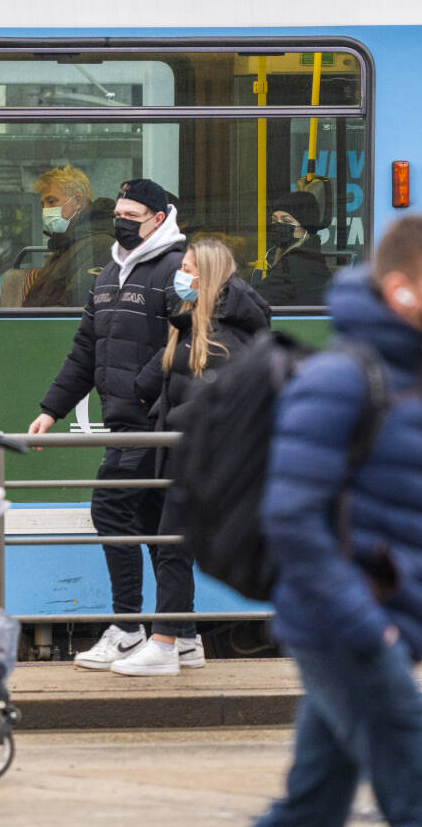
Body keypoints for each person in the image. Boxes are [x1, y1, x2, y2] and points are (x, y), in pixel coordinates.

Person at [255, 216, 422, 827]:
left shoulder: (410, 374)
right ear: (403, 290)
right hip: (347, 629)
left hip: (367, 622)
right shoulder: (343, 378)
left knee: (312, 807)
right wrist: (365, 626)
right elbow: (290, 516)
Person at [27, 178, 188, 670]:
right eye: (118, 212)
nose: (121, 221)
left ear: (159, 219)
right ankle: (182, 633)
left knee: (111, 511)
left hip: (153, 420)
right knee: (154, 524)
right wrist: (51, 409)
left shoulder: (176, 269)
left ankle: (127, 627)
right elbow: (85, 349)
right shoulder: (109, 272)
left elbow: (184, 342)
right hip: (127, 422)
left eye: (132, 216)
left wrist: (142, 389)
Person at [113, 238, 270, 676]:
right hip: (185, 458)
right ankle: (183, 641)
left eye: (187, 267)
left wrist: (172, 420)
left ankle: (163, 643)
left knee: (172, 550)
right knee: (172, 548)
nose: (180, 275)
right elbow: (156, 383)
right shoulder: (191, 327)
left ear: (210, 276)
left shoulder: (224, 337)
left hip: (200, 461)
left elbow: (211, 402)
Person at [22, 165, 115, 308]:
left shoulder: (100, 246)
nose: (46, 210)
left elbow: (72, 309)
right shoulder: (65, 246)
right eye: (43, 204)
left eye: (52, 201)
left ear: (77, 202)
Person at [254, 191, 334, 307]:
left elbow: (258, 300)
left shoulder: (297, 262)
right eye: (274, 220)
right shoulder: (299, 256)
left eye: (286, 221)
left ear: (305, 226)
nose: (278, 226)